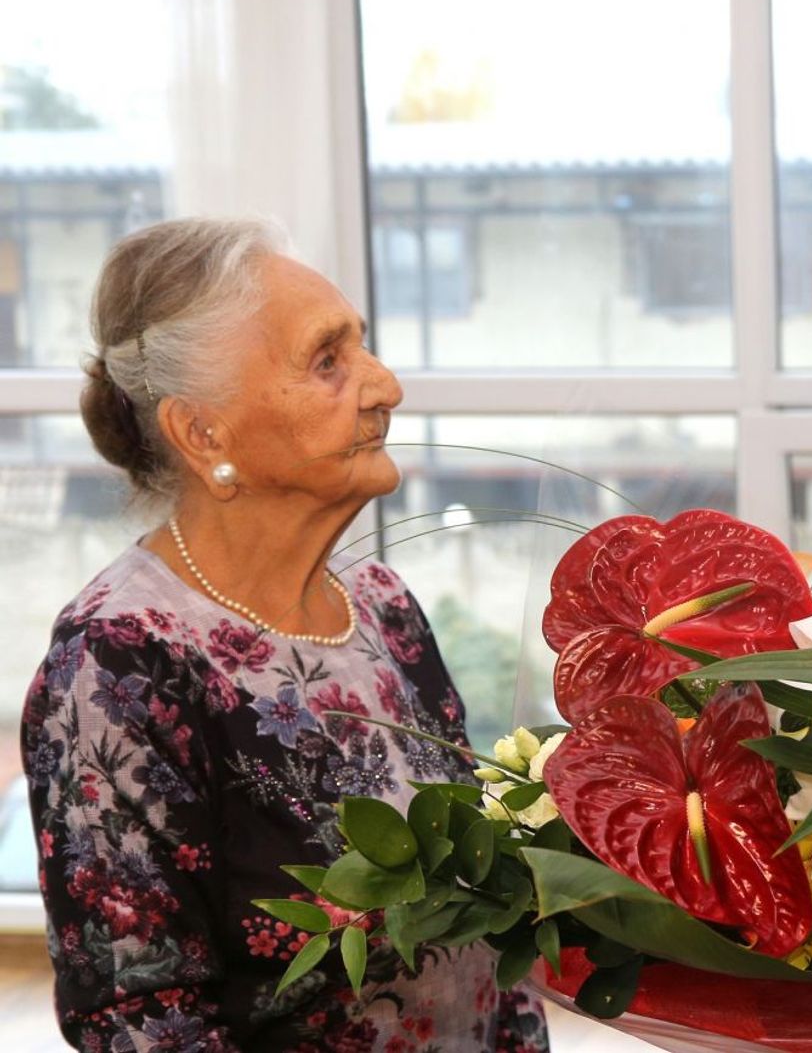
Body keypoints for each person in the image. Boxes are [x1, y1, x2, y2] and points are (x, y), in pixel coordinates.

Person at [22, 219, 548, 1052]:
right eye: (327, 360)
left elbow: (485, 923)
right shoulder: (118, 661)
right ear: (204, 434)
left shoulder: (383, 607)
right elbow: (140, 1020)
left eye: (360, 347)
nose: (385, 385)